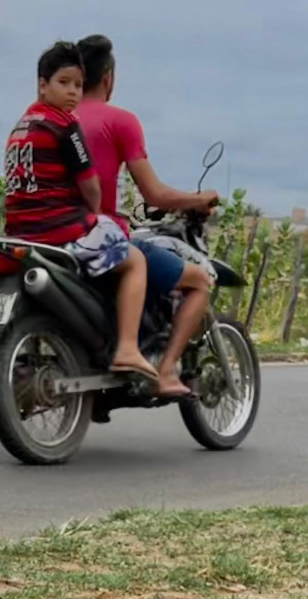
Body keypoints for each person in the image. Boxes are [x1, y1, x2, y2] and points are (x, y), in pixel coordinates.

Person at [3, 40, 161, 388]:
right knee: (134, 260)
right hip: (59, 228)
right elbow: (91, 187)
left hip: (19, 231)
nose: (73, 92)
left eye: (77, 84)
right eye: (64, 83)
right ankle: (129, 348)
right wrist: (95, 214)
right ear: (42, 84)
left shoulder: (21, 126)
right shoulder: (64, 126)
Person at [76, 35, 220, 399]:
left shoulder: (53, 117)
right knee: (199, 280)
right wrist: (197, 199)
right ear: (108, 77)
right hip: (101, 235)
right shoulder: (120, 121)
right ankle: (167, 369)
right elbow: (155, 194)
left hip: (53, 232)